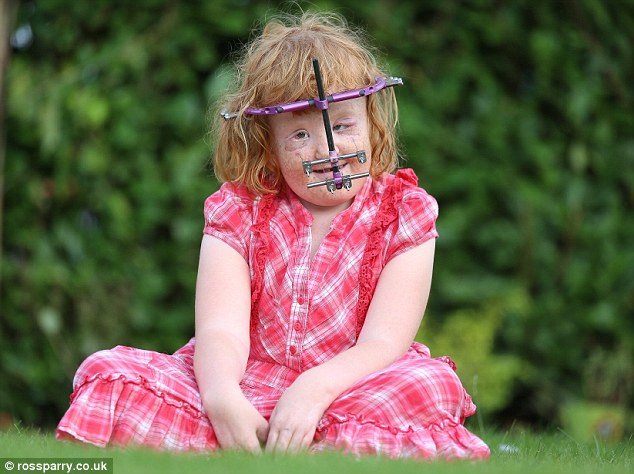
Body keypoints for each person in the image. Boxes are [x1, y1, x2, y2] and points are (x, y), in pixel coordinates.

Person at [56, 11, 490, 460]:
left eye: (342, 125)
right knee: (109, 371)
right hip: (247, 380)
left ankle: (308, 442)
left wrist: (313, 389)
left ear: (372, 119)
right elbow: (220, 329)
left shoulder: (404, 212)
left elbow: (384, 342)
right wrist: (222, 400)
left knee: (426, 384)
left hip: (353, 385)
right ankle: (260, 437)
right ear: (268, 143)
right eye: (301, 133)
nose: (328, 149)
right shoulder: (240, 211)